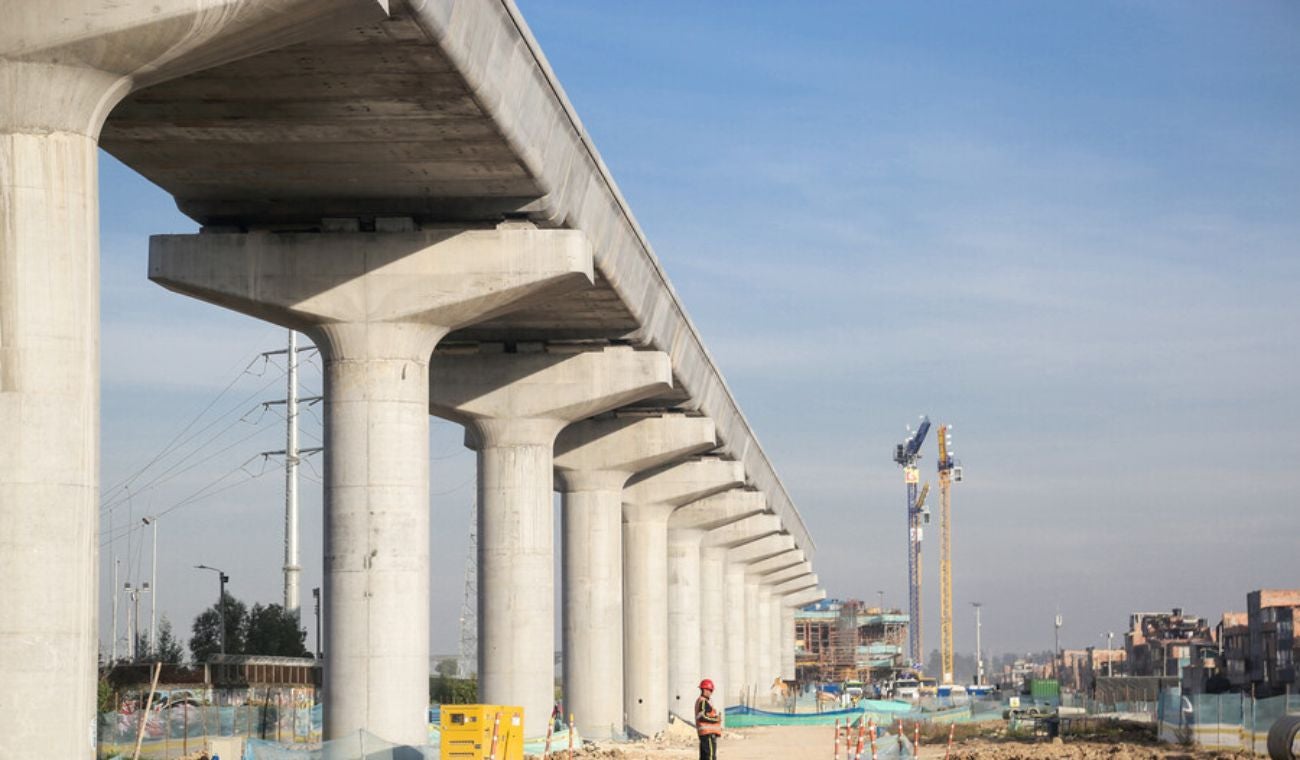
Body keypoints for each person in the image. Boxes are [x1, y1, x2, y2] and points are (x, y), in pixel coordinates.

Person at [695, 678, 723, 760]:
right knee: (710, 757)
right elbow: (702, 716)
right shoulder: (703, 701)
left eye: (711, 690)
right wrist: (716, 719)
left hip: (706, 734)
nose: (711, 693)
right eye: (710, 690)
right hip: (708, 734)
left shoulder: (702, 701)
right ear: (704, 690)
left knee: (705, 757)